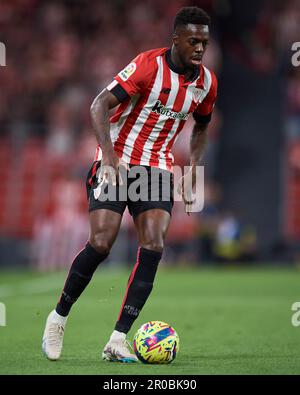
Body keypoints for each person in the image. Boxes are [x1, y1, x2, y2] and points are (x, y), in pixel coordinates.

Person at [42, 6, 218, 363]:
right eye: (193, 41)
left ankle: (118, 338)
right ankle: (58, 317)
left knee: (153, 245)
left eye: (204, 42)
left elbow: (201, 126)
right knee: (102, 242)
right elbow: (98, 105)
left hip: (156, 168)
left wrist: (194, 168)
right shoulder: (147, 66)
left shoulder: (206, 83)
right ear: (176, 39)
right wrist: (107, 156)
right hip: (118, 159)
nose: (200, 48)